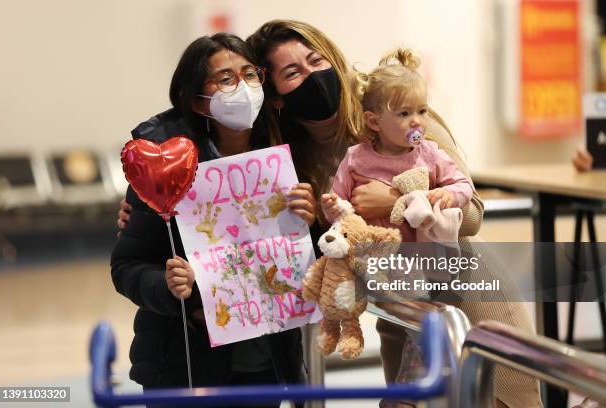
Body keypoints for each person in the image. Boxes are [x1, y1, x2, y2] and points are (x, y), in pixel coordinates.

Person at [119, 19, 542, 407]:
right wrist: (150, 212)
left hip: (461, 290)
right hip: (394, 308)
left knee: (503, 397)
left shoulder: (401, 116)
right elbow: (308, 249)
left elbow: (471, 215)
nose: (311, 76)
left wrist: (395, 200)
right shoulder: (284, 157)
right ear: (278, 98)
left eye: (315, 60)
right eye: (291, 73)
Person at [111, 33, 315, 408]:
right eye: (225, 78)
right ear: (197, 101)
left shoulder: (281, 156)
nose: (243, 87)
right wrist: (170, 289)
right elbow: (127, 265)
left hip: (264, 363)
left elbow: (304, 257)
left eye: (250, 74)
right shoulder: (164, 168)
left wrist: (310, 220)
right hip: (183, 366)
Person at [321, 48, 473, 243]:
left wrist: (449, 194)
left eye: (422, 110)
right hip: (372, 257)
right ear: (374, 122)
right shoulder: (355, 158)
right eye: (404, 113)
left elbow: (464, 186)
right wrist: (332, 209)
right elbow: (341, 208)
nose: (416, 121)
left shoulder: (430, 153)